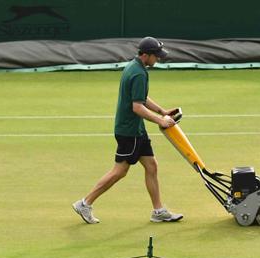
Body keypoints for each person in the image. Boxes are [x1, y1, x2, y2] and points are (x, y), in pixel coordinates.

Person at [73, 36, 184, 225]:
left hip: (136, 130)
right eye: (155, 56)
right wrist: (160, 121)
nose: (157, 59)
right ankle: (85, 203)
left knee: (151, 166)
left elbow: (141, 97)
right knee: (120, 171)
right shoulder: (139, 73)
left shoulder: (134, 67)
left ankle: (158, 211)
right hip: (129, 131)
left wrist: (162, 111)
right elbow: (137, 107)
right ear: (146, 55)